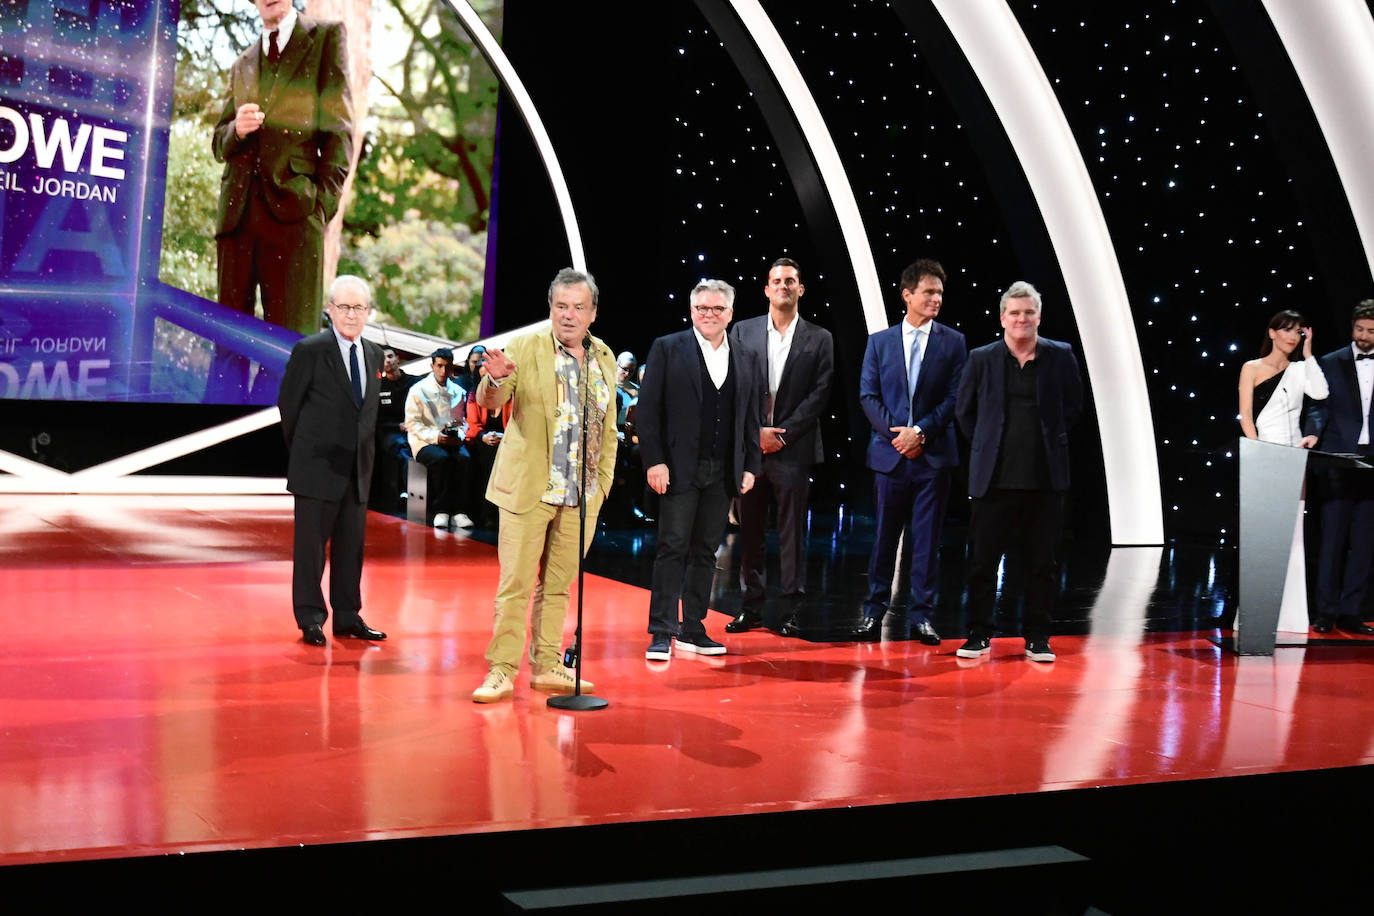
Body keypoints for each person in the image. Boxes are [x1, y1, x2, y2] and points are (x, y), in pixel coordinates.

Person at [470, 268, 620, 703]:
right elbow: (490, 400)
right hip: (529, 490)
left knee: (557, 586)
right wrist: (494, 379)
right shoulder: (524, 347)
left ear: (592, 312)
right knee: (515, 584)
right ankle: (501, 669)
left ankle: (547, 663)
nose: (568, 316)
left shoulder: (604, 357)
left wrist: (603, 484)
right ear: (550, 308)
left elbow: (609, 427)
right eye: (560, 307)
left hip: (581, 495)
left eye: (577, 307)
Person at [210, 0, 354, 399]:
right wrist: (235, 130)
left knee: (288, 354)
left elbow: (340, 132)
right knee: (227, 350)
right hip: (237, 219)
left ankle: (271, 448)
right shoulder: (243, 62)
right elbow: (218, 142)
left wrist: (320, 208)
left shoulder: (325, 38)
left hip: (294, 219)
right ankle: (216, 447)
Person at [954, 281, 1083, 663]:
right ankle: (978, 634)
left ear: (1039, 316)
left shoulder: (1061, 356)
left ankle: (1038, 637)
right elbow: (965, 412)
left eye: (1029, 312)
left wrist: (1050, 440)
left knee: (1042, 562)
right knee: (982, 562)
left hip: (1045, 479)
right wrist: (986, 445)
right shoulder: (981, 358)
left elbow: (1074, 406)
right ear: (1002, 318)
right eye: (1015, 313)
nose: (1022, 319)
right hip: (994, 479)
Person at [638, 280, 762, 661]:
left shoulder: (745, 355)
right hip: (677, 467)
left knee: (706, 551)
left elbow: (751, 416)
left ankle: (692, 627)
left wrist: (750, 464)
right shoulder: (668, 348)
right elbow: (648, 409)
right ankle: (662, 631)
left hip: (723, 469)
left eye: (717, 309)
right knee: (672, 547)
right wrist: (654, 460)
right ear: (692, 311)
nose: (710, 315)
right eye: (703, 308)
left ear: (730, 313)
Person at [855, 259, 966, 644]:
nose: (936, 298)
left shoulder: (953, 342)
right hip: (890, 457)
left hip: (932, 459)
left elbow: (955, 397)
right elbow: (868, 395)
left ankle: (923, 617)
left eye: (939, 292)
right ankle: (873, 613)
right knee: (884, 537)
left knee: (926, 539)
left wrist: (921, 433)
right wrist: (898, 436)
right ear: (907, 295)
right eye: (928, 292)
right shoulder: (879, 342)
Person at [726, 258, 835, 637]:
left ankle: (791, 609)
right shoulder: (742, 331)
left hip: (793, 449)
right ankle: (750, 606)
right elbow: (733, 387)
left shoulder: (820, 338)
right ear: (766, 289)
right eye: (777, 281)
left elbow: (820, 395)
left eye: (791, 280)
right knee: (750, 530)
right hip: (751, 449)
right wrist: (755, 432)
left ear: (801, 289)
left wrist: (783, 434)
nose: (783, 286)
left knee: (792, 533)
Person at [276, 275, 387, 646]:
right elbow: (289, 407)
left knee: (350, 549)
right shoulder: (310, 350)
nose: (351, 315)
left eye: (358, 308)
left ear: (368, 312)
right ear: (330, 310)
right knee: (310, 551)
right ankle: (310, 617)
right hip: (316, 468)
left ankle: (347, 615)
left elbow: (367, 413)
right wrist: (306, 453)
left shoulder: (374, 354)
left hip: (358, 471)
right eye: (344, 307)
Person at [1237, 310, 1329, 634]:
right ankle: (1257, 614)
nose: (1291, 336)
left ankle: (1290, 616)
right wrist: (1259, 452)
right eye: (1286, 330)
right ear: (1272, 333)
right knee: (1262, 535)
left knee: (1292, 534)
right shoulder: (1251, 367)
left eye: (1297, 332)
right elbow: (1246, 416)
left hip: (1292, 457)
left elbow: (1320, 393)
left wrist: (1308, 354)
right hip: (1263, 454)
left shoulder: (1301, 370)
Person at [1306, 302, 1374, 635]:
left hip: (1372, 463)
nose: (1363, 336)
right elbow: (1318, 406)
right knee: (1332, 539)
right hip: (1338, 460)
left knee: (1364, 542)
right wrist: (1313, 432)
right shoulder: (1331, 363)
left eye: (1370, 331)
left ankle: (1351, 612)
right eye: (1359, 329)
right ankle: (1325, 612)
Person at [405, 348, 474, 529]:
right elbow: (412, 424)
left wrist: (458, 436)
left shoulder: (458, 391)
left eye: (447, 367)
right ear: (432, 366)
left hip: (450, 440)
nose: (443, 371)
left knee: (464, 459)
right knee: (441, 460)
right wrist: (436, 437)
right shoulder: (417, 390)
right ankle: (440, 510)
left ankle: (460, 511)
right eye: (440, 366)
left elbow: (462, 422)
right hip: (424, 441)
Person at [371, 348, 418, 514]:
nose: (388, 361)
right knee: (402, 446)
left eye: (390, 357)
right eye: (383, 359)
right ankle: (406, 491)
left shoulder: (414, 383)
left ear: (398, 359)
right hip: (389, 432)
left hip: (415, 429)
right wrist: (397, 426)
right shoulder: (378, 386)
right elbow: (377, 418)